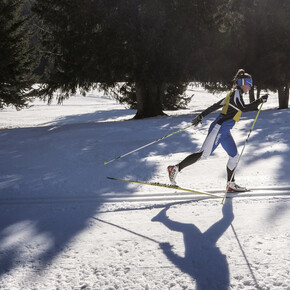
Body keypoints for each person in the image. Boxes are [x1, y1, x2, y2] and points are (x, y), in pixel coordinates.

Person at [167, 69, 268, 192]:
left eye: (251, 83)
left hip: (225, 131)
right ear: (242, 82)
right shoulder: (236, 93)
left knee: (234, 156)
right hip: (219, 129)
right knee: (203, 155)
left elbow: (215, 106)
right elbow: (244, 108)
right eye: (249, 82)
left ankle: (231, 184)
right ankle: (176, 168)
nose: (250, 86)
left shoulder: (234, 94)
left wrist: (201, 116)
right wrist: (259, 100)